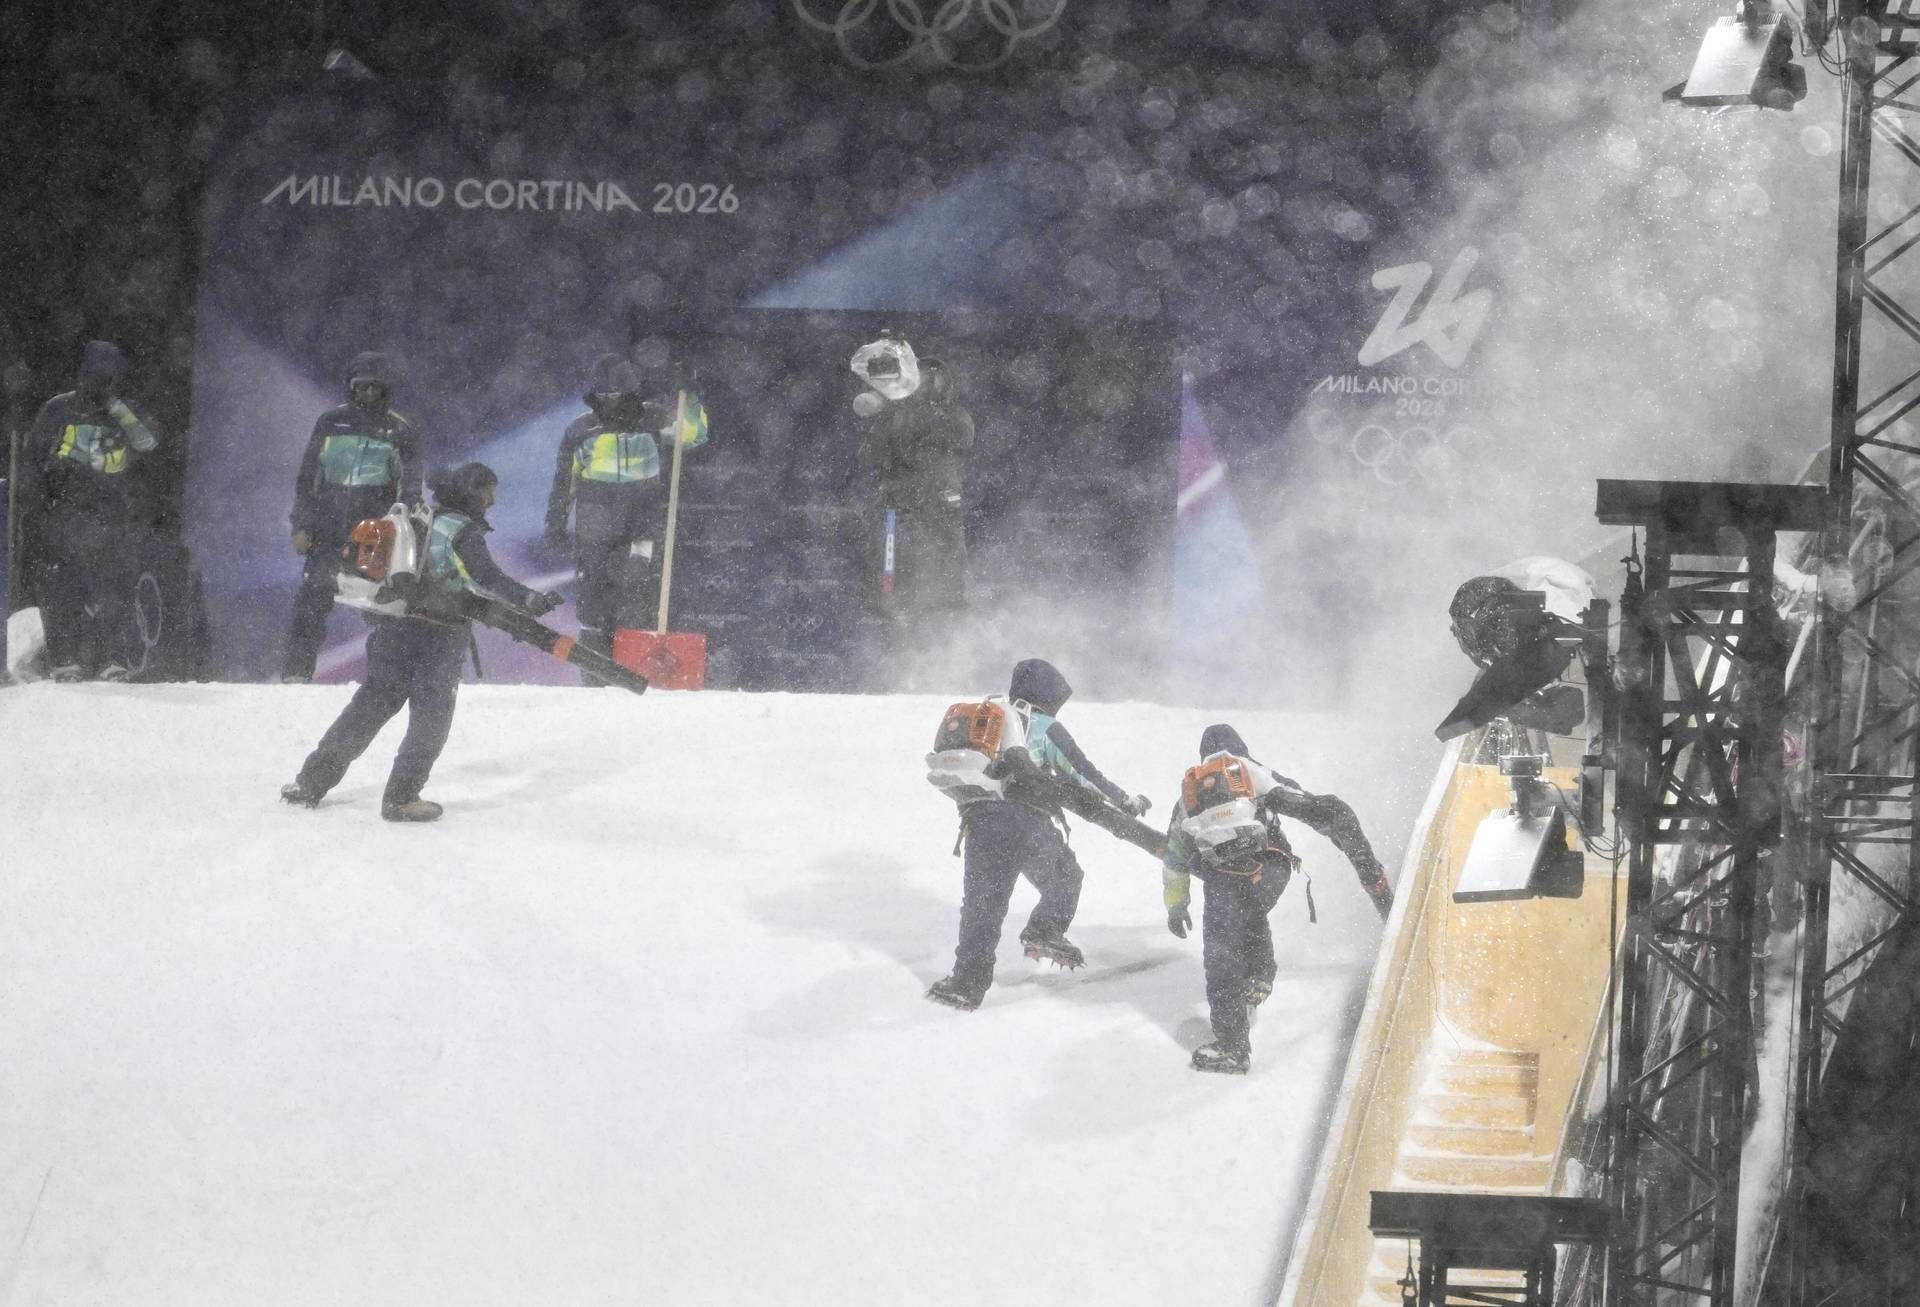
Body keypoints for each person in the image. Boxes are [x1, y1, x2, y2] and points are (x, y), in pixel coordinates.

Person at [280, 463, 561, 822]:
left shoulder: (416, 518)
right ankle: (402, 796)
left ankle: (310, 783)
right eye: (488, 492)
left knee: (367, 710)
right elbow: (487, 579)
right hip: (438, 636)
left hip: (393, 629)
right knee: (431, 719)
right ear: (472, 492)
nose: (491, 501)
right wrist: (529, 600)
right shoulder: (462, 530)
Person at [1162, 724, 1394, 1074]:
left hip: (1223, 880)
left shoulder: (1188, 797)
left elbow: (1174, 858)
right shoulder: (1252, 773)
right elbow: (1312, 807)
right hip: (1270, 871)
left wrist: (1176, 905)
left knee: (1222, 953)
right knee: (1251, 910)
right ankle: (1260, 975)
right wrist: (1369, 873)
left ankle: (1231, 1046)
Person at [926, 657, 1151, 1010]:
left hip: (979, 820)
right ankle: (1044, 930)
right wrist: (1126, 800)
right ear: (1049, 695)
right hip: (1025, 822)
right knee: (1065, 878)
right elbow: (1084, 773)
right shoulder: (1044, 726)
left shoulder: (992, 720)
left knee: (981, 907)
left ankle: (965, 984)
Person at [544, 354, 706, 677]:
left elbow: (695, 433)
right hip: (594, 531)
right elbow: (565, 483)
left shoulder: (654, 421)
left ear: (631, 392)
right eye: (603, 395)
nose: (609, 401)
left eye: (615, 394)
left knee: (634, 592)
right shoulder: (581, 429)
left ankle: (633, 670)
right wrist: (556, 525)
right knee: (593, 606)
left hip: (640, 528)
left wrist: (689, 396)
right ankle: (595, 676)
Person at [20, 340, 161, 682]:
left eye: (109, 378)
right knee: (62, 585)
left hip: (111, 515)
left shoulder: (126, 410)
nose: (101, 385)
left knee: (114, 587)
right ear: (83, 375)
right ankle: (65, 660)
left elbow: (149, 444)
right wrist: (36, 507)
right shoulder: (59, 408)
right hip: (65, 511)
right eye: (97, 377)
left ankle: (114, 658)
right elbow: (34, 460)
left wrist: (118, 408)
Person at [282, 351, 421, 682]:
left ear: (385, 389)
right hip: (327, 526)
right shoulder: (330, 422)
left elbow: (411, 488)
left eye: (375, 387)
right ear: (350, 387)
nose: (368, 394)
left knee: (381, 605)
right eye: (361, 387)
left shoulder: (399, 430)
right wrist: (301, 524)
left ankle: (385, 680)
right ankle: (296, 675)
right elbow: (307, 478)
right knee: (313, 598)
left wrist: (405, 532)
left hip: (374, 529)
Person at [849, 333, 973, 668]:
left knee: (944, 591)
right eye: (921, 376)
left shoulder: (953, 416)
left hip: (938, 512)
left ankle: (944, 664)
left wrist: (902, 408)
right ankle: (901, 662)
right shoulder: (893, 414)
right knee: (892, 590)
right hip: (895, 513)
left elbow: (955, 433)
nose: (923, 385)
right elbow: (870, 455)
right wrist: (887, 411)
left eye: (930, 378)